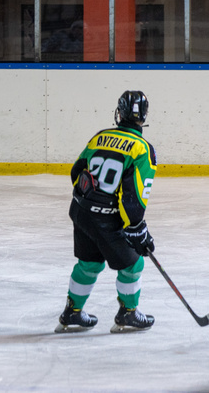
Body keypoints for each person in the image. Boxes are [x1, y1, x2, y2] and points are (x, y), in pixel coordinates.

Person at [55, 90, 157, 333]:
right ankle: (128, 314)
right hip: (106, 219)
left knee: (89, 263)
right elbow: (134, 195)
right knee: (133, 266)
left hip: (80, 211)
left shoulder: (100, 137)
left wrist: (90, 201)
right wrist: (136, 228)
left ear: (119, 113)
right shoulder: (143, 149)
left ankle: (72, 312)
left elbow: (76, 171)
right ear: (143, 117)